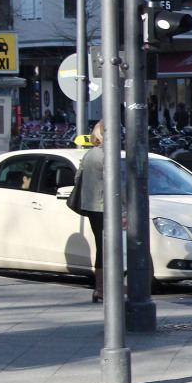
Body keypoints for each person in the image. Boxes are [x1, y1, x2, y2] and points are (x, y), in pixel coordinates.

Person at [75, 121, 107, 303]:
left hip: (92, 206)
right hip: (105, 206)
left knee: (101, 247)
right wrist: (125, 210)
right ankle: (103, 288)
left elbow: (77, 178)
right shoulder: (107, 156)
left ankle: (100, 288)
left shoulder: (88, 155)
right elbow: (118, 184)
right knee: (107, 248)